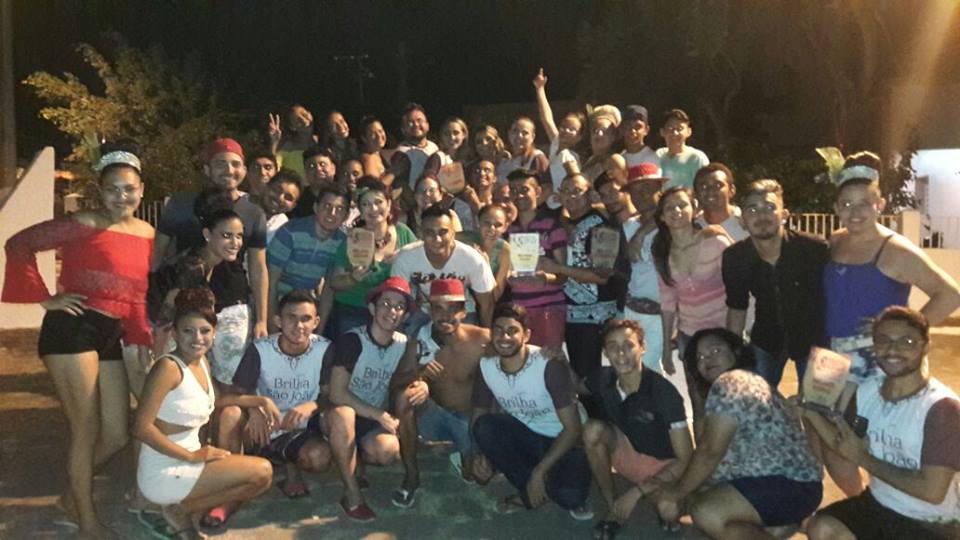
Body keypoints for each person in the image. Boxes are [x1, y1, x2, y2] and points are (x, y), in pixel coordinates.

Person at [3, 146, 153, 538]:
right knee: (85, 429)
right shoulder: (82, 223)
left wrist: (141, 337)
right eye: (113, 189)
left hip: (112, 334)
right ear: (99, 191)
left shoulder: (147, 233)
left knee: (117, 434)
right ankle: (87, 522)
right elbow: (18, 244)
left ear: (141, 190)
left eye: (129, 189)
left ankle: (72, 496)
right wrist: (44, 297)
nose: (122, 196)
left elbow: (138, 294)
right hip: (72, 328)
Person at [822, 151, 960, 495]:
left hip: (879, 356)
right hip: (831, 354)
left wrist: (901, 333)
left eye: (864, 203)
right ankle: (861, 502)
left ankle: (884, 507)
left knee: (877, 439)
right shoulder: (836, 240)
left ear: (880, 204)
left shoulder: (895, 249)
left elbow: (949, 294)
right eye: (847, 204)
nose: (855, 212)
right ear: (836, 208)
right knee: (822, 432)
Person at [805, 307, 960, 540]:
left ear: (926, 346)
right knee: (822, 527)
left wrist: (864, 459)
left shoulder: (942, 409)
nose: (893, 350)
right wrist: (809, 413)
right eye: (883, 340)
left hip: (931, 523)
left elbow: (932, 492)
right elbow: (844, 445)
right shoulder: (866, 393)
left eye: (907, 341)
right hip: (880, 505)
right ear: (874, 346)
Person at [652, 328, 822, 537]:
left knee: (708, 512)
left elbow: (709, 452)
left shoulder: (731, 382)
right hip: (792, 485)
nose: (707, 359)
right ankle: (776, 528)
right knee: (701, 500)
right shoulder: (749, 381)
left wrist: (676, 493)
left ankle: (778, 524)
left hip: (786, 484)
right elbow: (711, 458)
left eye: (715, 350)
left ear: (736, 352)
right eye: (700, 358)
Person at [134, 288, 273, 538]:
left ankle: (180, 509)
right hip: (164, 467)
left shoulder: (201, 362)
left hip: (189, 458)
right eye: (188, 331)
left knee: (260, 479)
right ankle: (173, 507)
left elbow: (217, 401)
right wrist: (192, 456)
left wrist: (259, 401)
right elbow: (141, 428)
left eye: (205, 331)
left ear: (214, 332)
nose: (197, 338)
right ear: (174, 333)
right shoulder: (168, 367)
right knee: (261, 472)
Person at [471, 303, 593, 520]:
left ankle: (533, 487)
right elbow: (478, 414)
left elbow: (573, 429)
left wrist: (539, 472)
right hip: (527, 435)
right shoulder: (486, 366)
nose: (504, 337)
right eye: (498, 330)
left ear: (526, 335)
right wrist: (478, 455)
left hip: (564, 440)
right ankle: (533, 487)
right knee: (484, 427)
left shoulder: (548, 365)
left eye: (512, 331)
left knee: (571, 498)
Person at [584, 319, 693, 539]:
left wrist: (636, 492)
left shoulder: (663, 392)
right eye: (613, 346)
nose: (620, 353)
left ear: (642, 347)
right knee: (592, 430)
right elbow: (575, 385)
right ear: (605, 353)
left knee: (669, 510)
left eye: (629, 345)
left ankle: (658, 497)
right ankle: (613, 507)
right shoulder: (602, 378)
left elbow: (685, 458)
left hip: (664, 464)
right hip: (628, 451)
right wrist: (555, 359)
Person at [222, 290, 334, 500]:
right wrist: (254, 409)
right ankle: (233, 481)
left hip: (299, 427)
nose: (299, 326)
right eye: (291, 318)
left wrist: (312, 405)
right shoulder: (260, 349)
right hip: (262, 425)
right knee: (230, 414)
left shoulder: (324, 349)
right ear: (278, 321)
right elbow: (235, 394)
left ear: (316, 322)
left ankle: (287, 465)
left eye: (306, 319)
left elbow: (331, 395)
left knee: (320, 458)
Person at [153, 138, 270, 339]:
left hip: (232, 307)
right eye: (220, 164)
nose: (229, 170)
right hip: (184, 305)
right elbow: (157, 255)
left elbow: (258, 267)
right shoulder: (180, 204)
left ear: (244, 170)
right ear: (207, 169)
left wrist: (262, 320)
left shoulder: (253, 212)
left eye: (235, 164)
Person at [392, 279, 492, 507]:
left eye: (453, 309)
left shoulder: (484, 340)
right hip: (434, 415)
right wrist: (419, 374)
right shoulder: (420, 340)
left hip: (469, 419)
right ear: (430, 311)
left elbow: (515, 361)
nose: (445, 316)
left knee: (479, 476)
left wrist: (550, 353)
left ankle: (464, 453)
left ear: (464, 312)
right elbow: (395, 383)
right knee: (405, 397)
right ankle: (411, 475)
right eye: (438, 308)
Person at [325, 277, 417, 521]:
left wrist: (423, 384)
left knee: (387, 451)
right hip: (337, 415)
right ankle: (352, 494)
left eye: (399, 306)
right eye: (385, 303)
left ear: (406, 316)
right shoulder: (352, 340)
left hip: (369, 420)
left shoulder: (404, 344)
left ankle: (355, 462)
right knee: (344, 414)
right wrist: (378, 414)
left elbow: (411, 376)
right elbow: (336, 393)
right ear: (372, 308)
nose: (392, 311)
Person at [722, 179, 829, 386]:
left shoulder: (814, 249)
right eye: (752, 210)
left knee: (820, 403)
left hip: (816, 341)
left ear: (784, 214)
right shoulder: (735, 257)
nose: (761, 216)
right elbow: (736, 308)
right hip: (766, 339)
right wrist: (734, 356)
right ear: (742, 221)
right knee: (752, 397)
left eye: (770, 207)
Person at [149, 200, 253, 386]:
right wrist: (158, 358)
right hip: (152, 332)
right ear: (207, 234)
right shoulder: (194, 267)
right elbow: (165, 314)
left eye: (239, 236)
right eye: (227, 235)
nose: (235, 243)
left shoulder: (206, 261)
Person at [539, 173, 623, 387]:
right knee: (580, 379)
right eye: (566, 191)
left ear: (590, 194)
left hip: (596, 316)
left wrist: (558, 268)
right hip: (572, 314)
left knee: (593, 380)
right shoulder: (563, 223)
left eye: (577, 191)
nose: (571, 196)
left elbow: (602, 276)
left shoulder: (602, 226)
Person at [328, 179, 418, 336]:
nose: (373, 209)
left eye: (378, 202)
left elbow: (421, 258)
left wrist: (403, 254)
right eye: (366, 204)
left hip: (393, 311)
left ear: (389, 205)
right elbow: (335, 282)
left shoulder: (403, 233)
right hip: (354, 309)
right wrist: (353, 278)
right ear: (360, 210)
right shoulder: (353, 239)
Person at [391, 204, 497, 329]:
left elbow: (486, 304)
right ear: (421, 233)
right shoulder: (406, 257)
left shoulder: (472, 258)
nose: (437, 239)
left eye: (443, 232)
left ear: (453, 233)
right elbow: (396, 298)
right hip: (425, 311)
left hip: (462, 312)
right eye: (429, 232)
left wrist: (486, 335)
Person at [267, 183, 350, 331]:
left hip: (307, 306)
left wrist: (319, 332)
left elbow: (328, 290)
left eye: (339, 209)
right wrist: (272, 326)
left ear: (346, 216)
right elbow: (270, 282)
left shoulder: (341, 242)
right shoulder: (290, 231)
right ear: (315, 207)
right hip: (278, 300)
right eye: (327, 206)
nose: (332, 213)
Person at [505, 169, 568, 352]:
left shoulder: (552, 226)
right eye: (513, 191)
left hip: (549, 308)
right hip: (519, 310)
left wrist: (545, 278)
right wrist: (507, 278)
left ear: (538, 192)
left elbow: (564, 274)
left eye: (524, 189)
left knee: (550, 359)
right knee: (524, 360)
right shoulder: (508, 231)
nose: (519, 195)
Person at [620, 173, 669, 372]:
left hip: (664, 313)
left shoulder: (673, 223)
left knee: (648, 371)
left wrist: (641, 234)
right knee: (637, 370)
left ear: (660, 192)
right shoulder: (627, 226)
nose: (640, 195)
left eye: (647, 189)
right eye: (635, 192)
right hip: (632, 310)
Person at [532, 68, 585, 194]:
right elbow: (547, 119)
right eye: (564, 126)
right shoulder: (556, 146)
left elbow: (578, 182)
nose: (566, 130)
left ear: (578, 137)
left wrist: (564, 196)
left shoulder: (567, 156)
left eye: (572, 129)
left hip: (562, 204)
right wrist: (540, 89)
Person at [457, 204, 512, 302]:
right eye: (487, 223)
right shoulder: (462, 239)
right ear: (478, 222)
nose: (492, 228)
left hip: (486, 303)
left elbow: (496, 295)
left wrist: (485, 264)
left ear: (505, 227)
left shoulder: (504, 250)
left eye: (498, 225)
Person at [389, 103, 440, 190]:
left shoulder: (434, 146)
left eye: (419, 120)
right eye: (410, 122)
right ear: (403, 129)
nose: (416, 124)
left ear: (427, 125)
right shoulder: (401, 154)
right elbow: (400, 186)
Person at [655, 109, 710, 190]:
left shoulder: (697, 158)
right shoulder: (658, 155)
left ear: (689, 132)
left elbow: (705, 186)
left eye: (680, 129)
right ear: (662, 132)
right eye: (670, 128)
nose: (675, 133)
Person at [693, 163, 747, 241]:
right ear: (696, 194)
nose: (711, 191)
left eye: (718, 185)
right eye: (704, 186)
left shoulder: (748, 221)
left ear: (732, 190)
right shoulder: (692, 227)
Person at [496, 116, 550, 184]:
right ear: (509, 134)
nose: (519, 136)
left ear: (532, 137)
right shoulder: (503, 161)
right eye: (515, 131)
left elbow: (547, 186)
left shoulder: (536, 158)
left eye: (525, 133)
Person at [268, 104, 317, 176]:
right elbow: (272, 168)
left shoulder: (323, 142)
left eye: (304, 114)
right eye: (298, 120)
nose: (303, 120)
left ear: (310, 113)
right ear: (292, 127)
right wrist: (274, 142)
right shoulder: (287, 148)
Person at [291, 145, 338, 218]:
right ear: (306, 173)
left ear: (333, 169)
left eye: (323, 164)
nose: (318, 169)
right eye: (311, 166)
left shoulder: (343, 196)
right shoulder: (297, 200)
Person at [259, 169, 302, 244]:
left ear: (293, 206)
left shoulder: (284, 228)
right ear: (266, 186)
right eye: (277, 190)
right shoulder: (243, 205)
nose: (280, 198)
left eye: (288, 197)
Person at [581, 105, 622, 181]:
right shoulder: (587, 162)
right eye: (595, 130)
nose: (599, 134)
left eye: (604, 130)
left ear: (613, 136)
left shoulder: (615, 161)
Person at [620, 105, 659, 169]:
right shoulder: (620, 157)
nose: (632, 131)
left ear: (646, 130)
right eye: (628, 126)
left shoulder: (651, 158)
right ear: (622, 129)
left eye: (638, 127)